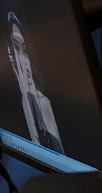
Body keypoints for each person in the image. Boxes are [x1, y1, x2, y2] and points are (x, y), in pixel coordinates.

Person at [7, 11, 64, 153]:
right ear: (11, 56)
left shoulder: (45, 103)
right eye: (17, 49)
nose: (24, 59)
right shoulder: (20, 105)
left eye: (24, 49)